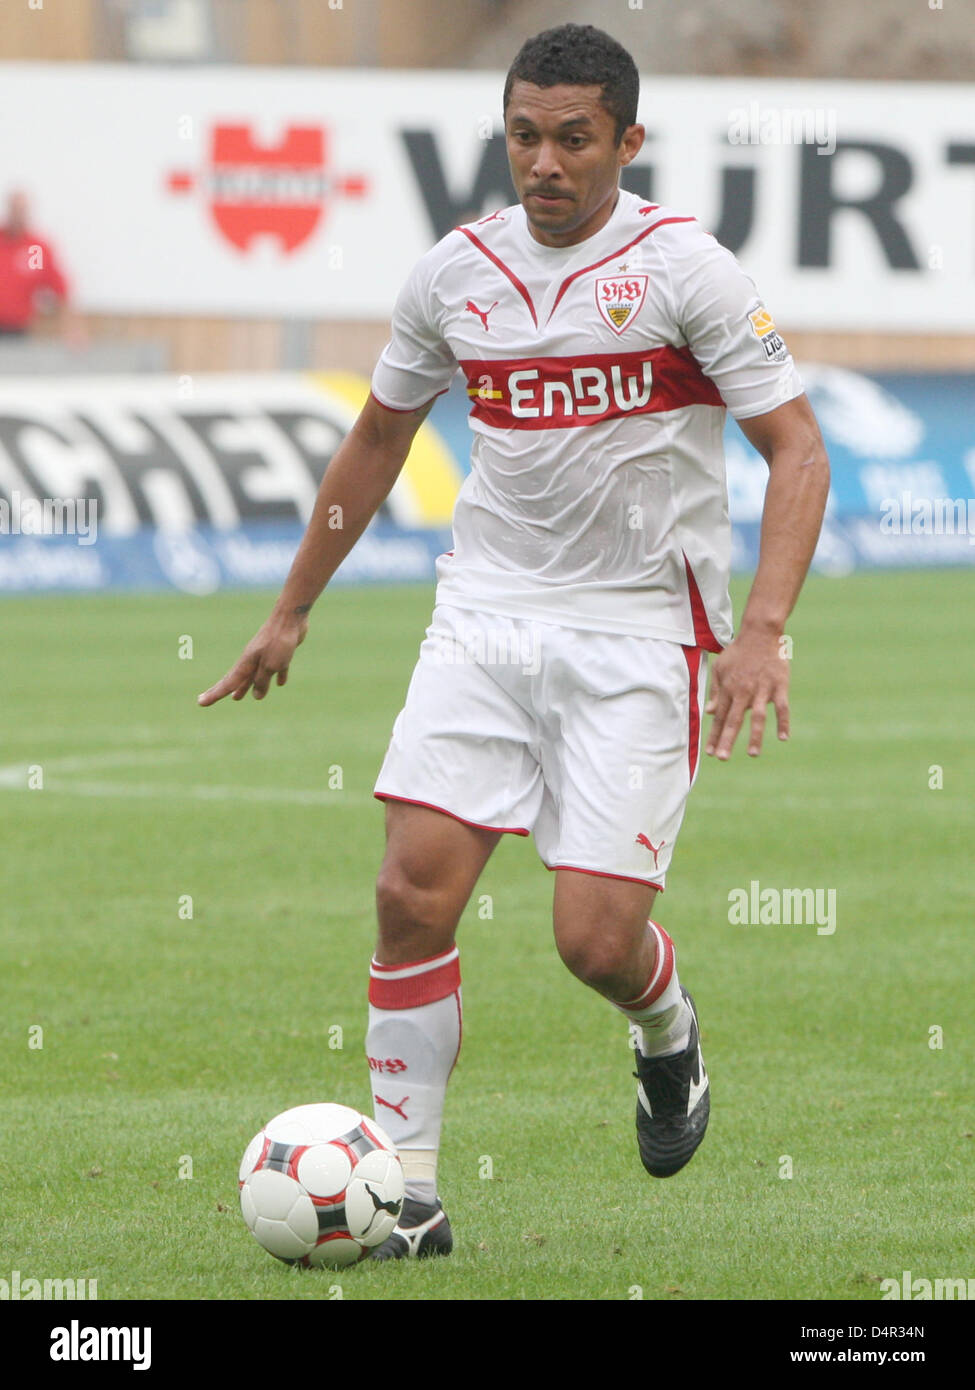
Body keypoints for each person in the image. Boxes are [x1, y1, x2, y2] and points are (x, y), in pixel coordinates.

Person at [199, 23, 830, 1260]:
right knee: (408, 896)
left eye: (573, 139)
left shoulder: (685, 269)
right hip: (484, 618)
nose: (545, 162)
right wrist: (291, 607)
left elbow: (796, 449)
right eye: (525, 137)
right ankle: (409, 1194)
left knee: (592, 942)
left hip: (641, 635)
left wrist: (763, 630)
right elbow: (378, 438)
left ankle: (666, 1030)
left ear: (627, 140)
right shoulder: (455, 274)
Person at [0, 190, 80, 342]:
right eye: (14, 209)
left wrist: (72, 328)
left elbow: (59, 288)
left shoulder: (35, 249)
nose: (17, 215)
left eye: (22, 210)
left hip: (19, 330)